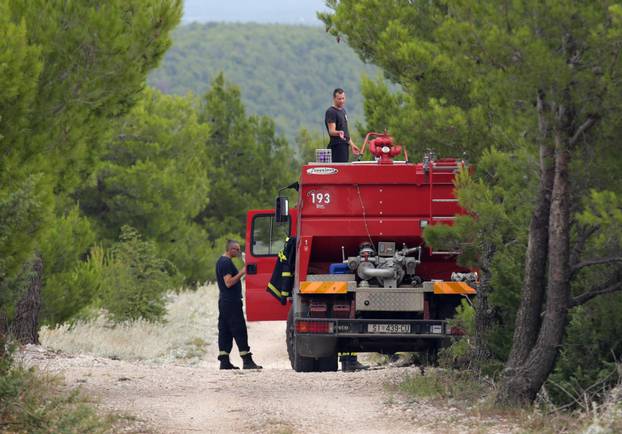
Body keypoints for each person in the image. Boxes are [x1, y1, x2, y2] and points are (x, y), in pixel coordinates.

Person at [216, 239, 262, 370]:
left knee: (225, 330)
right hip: (231, 302)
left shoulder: (222, 261)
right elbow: (228, 282)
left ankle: (224, 362)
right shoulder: (225, 262)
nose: (238, 251)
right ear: (230, 249)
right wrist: (243, 271)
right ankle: (247, 361)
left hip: (225, 302)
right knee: (239, 329)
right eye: (236, 249)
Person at [324, 88, 361, 162]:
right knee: (339, 170)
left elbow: (345, 132)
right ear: (334, 98)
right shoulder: (331, 112)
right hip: (336, 147)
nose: (342, 101)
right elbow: (331, 131)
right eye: (339, 99)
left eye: (343, 98)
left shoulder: (343, 111)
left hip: (344, 146)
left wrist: (352, 145)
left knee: (344, 168)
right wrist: (338, 132)